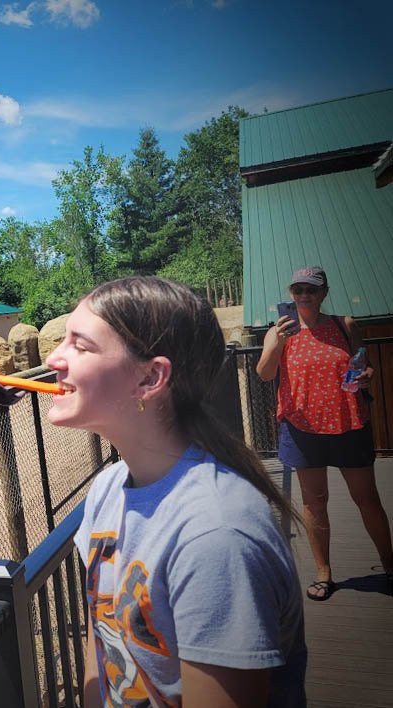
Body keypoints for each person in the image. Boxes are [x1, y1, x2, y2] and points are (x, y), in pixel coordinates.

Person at [46, 275, 306, 707]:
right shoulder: (108, 489)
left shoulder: (216, 536)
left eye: (80, 344)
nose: (55, 358)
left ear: (150, 378)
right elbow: (104, 642)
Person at [256, 265, 393, 602]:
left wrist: (365, 376)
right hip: (303, 429)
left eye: (312, 290)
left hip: (348, 423)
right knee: (315, 503)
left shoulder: (344, 325)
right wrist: (276, 342)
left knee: (368, 500)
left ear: (324, 293)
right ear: (291, 294)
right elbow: (264, 373)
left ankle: (390, 567)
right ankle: (324, 573)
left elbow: (364, 365)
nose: (305, 296)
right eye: (299, 290)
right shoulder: (279, 332)